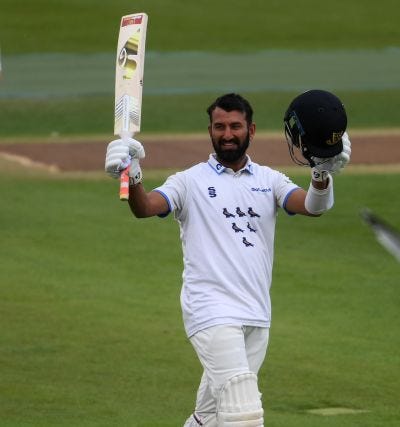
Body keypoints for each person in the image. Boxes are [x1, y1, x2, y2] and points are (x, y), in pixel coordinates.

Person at [104, 91, 351, 427]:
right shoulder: (189, 181)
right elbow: (144, 208)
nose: (227, 134)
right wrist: (131, 174)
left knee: (209, 416)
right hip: (211, 311)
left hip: (256, 314)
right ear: (210, 131)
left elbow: (312, 206)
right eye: (219, 127)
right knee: (243, 414)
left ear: (251, 130)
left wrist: (321, 172)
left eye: (235, 126)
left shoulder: (269, 180)